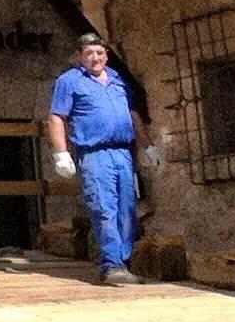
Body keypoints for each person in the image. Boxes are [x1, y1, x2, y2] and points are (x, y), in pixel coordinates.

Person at [48, 30, 162, 286]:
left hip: (123, 153)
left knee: (127, 210)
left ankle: (124, 263)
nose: (95, 58)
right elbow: (57, 117)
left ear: (106, 55)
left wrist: (147, 146)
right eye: (89, 54)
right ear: (79, 56)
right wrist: (61, 153)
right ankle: (112, 265)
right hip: (95, 154)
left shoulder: (118, 79)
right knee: (103, 208)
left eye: (99, 53)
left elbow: (132, 115)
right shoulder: (69, 81)